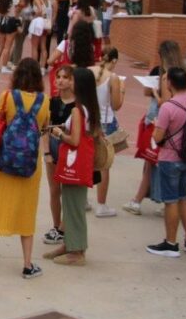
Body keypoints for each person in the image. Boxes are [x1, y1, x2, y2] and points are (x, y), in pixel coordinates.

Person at [0, 59, 49, 280]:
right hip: (30, 166)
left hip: (5, 161)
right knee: (26, 213)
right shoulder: (44, 101)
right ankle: (27, 265)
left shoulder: (8, 97)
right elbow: (43, 128)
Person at [43, 66, 101, 267]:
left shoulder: (78, 110)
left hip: (74, 162)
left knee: (74, 206)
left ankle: (76, 251)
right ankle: (70, 244)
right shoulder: (88, 108)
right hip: (80, 163)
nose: (68, 82)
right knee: (70, 204)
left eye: (72, 79)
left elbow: (75, 140)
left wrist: (59, 134)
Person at [124, 39, 186, 215]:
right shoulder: (180, 73)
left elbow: (164, 103)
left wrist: (155, 91)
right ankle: (157, 200)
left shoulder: (168, 76)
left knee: (152, 163)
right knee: (156, 164)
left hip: (159, 122)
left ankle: (141, 201)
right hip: (172, 123)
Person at [148, 67, 186, 258]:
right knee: (183, 196)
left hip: (170, 158)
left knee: (170, 200)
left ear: (170, 83)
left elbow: (158, 137)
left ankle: (170, 243)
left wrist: (157, 124)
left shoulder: (168, 107)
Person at [41, 64, 75, 246]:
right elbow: (44, 129)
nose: (61, 80)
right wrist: (46, 152)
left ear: (72, 81)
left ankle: (63, 227)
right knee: (54, 190)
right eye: (58, 77)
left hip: (69, 150)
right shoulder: (51, 102)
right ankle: (56, 226)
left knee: (69, 191)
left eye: (65, 77)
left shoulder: (78, 106)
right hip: (53, 147)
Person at [88, 46, 124, 217]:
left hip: (88, 119)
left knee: (87, 160)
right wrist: (122, 90)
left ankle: (84, 199)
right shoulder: (114, 78)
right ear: (114, 60)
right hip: (105, 122)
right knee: (104, 163)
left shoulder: (89, 72)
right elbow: (116, 104)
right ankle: (101, 204)